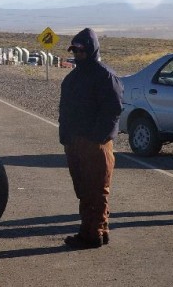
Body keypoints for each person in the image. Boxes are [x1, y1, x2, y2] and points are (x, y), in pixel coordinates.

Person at [58, 27, 123, 249]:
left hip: (96, 144)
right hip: (75, 143)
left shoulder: (105, 76)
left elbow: (113, 109)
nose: (77, 54)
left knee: (97, 190)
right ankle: (96, 230)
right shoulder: (73, 78)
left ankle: (92, 234)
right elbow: (64, 109)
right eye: (74, 50)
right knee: (84, 190)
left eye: (81, 50)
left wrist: (98, 137)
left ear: (91, 49)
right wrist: (65, 136)